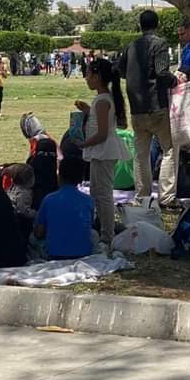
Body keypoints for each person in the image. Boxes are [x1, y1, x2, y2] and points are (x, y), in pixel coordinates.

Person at [119, 9, 179, 207]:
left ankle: (142, 196)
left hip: (137, 108)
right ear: (157, 25)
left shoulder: (131, 46)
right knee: (169, 150)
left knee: (141, 154)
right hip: (156, 105)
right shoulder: (159, 44)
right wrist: (175, 80)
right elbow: (162, 72)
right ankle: (166, 197)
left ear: (140, 25)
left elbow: (121, 70)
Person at [77, 57, 129, 247]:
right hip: (101, 151)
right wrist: (88, 111)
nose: (86, 78)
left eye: (88, 74)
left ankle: (108, 234)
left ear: (97, 76)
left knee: (104, 194)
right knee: (96, 191)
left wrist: (83, 144)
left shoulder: (102, 100)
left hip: (103, 151)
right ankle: (102, 227)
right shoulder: (103, 99)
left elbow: (102, 133)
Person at [33, 156, 95, 260]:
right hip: (83, 253)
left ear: (59, 176)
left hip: (55, 254)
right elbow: (89, 225)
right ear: (81, 179)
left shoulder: (49, 199)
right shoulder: (88, 200)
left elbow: (39, 233)